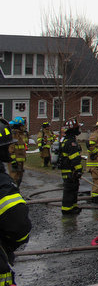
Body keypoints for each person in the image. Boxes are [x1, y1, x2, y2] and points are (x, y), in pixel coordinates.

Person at [0, 125, 31, 286]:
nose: (9, 149)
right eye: (6, 146)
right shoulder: (2, 185)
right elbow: (18, 224)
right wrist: (8, 245)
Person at [59, 119, 83, 215]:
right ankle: (67, 209)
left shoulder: (66, 140)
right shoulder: (71, 143)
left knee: (73, 188)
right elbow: (74, 158)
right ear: (73, 129)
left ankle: (72, 207)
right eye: (77, 128)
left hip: (68, 170)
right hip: (70, 171)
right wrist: (79, 169)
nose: (79, 129)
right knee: (69, 189)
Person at [8, 117, 28, 187]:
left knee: (19, 179)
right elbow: (11, 148)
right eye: (23, 125)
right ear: (19, 126)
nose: (24, 127)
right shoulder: (14, 134)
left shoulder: (22, 134)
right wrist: (13, 161)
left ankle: (17, 193)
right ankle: (12, 194)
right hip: (14, 161)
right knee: (14, 178)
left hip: (20, 161)